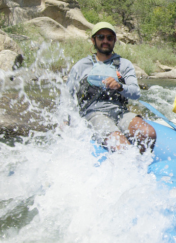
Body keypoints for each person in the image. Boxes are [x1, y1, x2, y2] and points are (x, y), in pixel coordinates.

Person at [66, 22, 156, 152]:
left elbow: (136, 93)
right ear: (93, 40)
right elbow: (67, 96)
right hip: (94, 114)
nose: (105, 41)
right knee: (122, 146)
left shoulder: (124, 65)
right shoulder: (81, 66)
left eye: (110, 38)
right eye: (101, 37)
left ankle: (141, 166)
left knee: (148, 134)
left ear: (114, 41)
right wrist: (65, 122)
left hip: (120, 112)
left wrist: (120, 87)